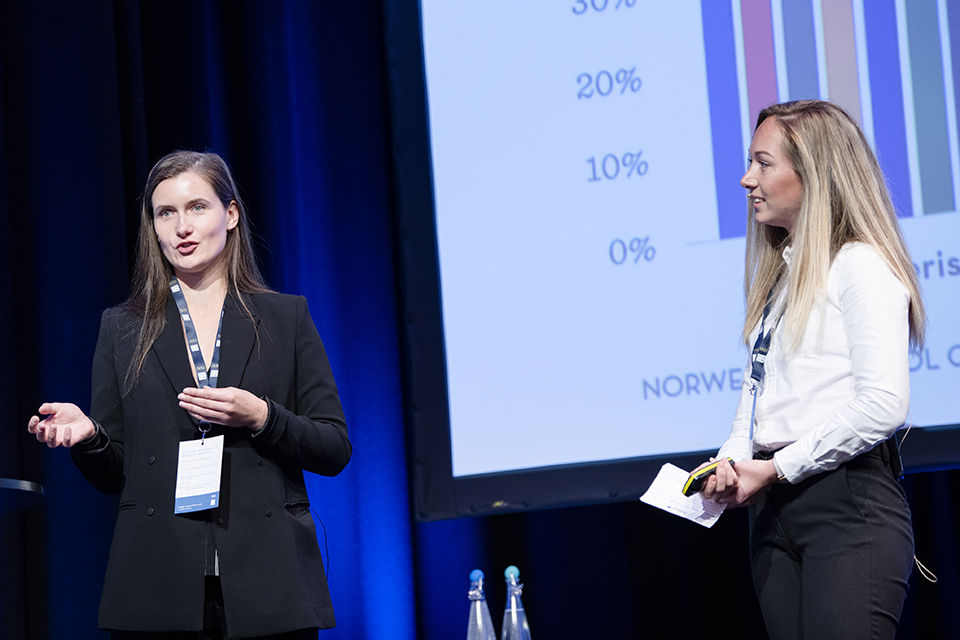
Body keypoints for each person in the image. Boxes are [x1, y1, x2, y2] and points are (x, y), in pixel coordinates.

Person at [27, 151, 351, 639]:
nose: (182, 227)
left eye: (197, 207)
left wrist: (262, 416)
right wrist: (90, 436)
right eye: (166, 213)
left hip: (269, 584)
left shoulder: (286, 319)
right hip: (156, 586)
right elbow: (114, 475)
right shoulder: (122, 328)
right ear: (153, 227)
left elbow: (334, 448)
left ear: (231, 214)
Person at [697, 101, 924, 639]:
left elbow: (884, 404)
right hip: (775, 514)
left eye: (763, 163)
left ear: (814, 173)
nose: (747, 179)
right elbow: (755, 400)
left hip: (846, 508)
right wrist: (732, 461)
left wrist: (777, 468)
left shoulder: (860, 265)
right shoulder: (782, 279)